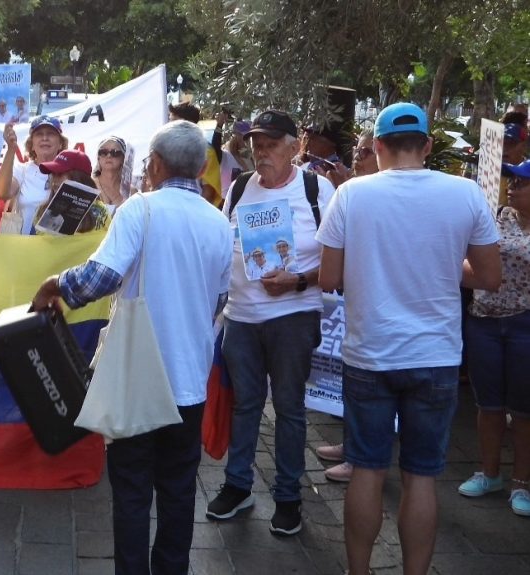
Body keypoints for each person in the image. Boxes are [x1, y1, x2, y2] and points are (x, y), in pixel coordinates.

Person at [31, 120, 232, 575]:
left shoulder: (140, 209)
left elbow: (101, 277)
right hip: (190, 381)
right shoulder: (218, 221)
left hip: (137, 379)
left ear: (155, 165)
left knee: (132, 491)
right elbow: (219, 299)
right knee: (180, 491)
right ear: (201, 167)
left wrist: (54, 284)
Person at [316, 102, 501, 575]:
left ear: (377, 145)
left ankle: (358, 571)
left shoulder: (352, 195)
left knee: (367, 469)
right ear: (428, 146)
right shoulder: (465, 194)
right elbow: (489, 276)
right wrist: (438, 267)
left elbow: (328, 277)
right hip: (435, 357)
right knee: (421, 478)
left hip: (369, 354)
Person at [206, 110, 335, 536]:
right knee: (244, 404)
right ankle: (238, 485)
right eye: (256, 144)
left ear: (294, 147)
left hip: (293, 317)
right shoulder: (241, 186)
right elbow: (226, 242)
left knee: (289, 408)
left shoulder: (319, 189)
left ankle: (287, 495)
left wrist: (298, 280)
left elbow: (341, 260)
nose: (261, 152)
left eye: (270, 144)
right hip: (241, 317)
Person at [456, 159, 530, 517]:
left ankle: (522, 482)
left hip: (524, 323)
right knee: (488, 404)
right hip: (484, 319)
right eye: (511, 180)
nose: (512, 186)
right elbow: (472, 261)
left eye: (522, 182)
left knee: (524, 408)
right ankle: (489, 473)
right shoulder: (497, 216)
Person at [315, 128, 381, 483]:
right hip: (354, 304)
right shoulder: (352, 191)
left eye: (367, 152)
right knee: (350, 377)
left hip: (375, 311)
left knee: (369, 385)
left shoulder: (364, 195)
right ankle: (352, 444)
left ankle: (362, 458)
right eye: (357, 149)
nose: (358, 156)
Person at [0, 115, 68, 235]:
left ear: (60, 143)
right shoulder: (22, 170)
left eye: (51, 134)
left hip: (56, 248)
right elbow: (2, 193)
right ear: (32, 144)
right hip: (24, 249)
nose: (45, 138)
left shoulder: (69, 174)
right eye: (39, 134)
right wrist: (11, 149)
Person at [36, 150, 110, 233]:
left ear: (79, 178)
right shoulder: (42, 209)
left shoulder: (101, 212)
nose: (54, 180)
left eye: (60, 173)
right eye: (53, 173)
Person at [93, 136, 135, 210]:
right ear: (98, 158)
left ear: (123, 159)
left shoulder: (131, 191)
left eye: (115, 152)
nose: (109, 156)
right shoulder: (89, 185)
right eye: (103, 152)